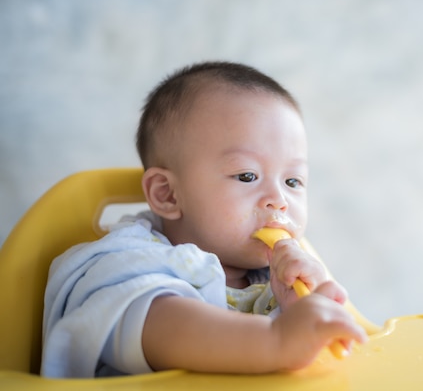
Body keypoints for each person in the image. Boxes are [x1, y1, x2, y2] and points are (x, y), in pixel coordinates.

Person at [41, 61, 368, 378]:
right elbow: (158, 327)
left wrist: (305, 305)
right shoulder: (130, 261)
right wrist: (276, 340)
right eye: (247, 175)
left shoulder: (281, 274)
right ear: (168, 194)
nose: (279, 200)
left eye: (293, 181)